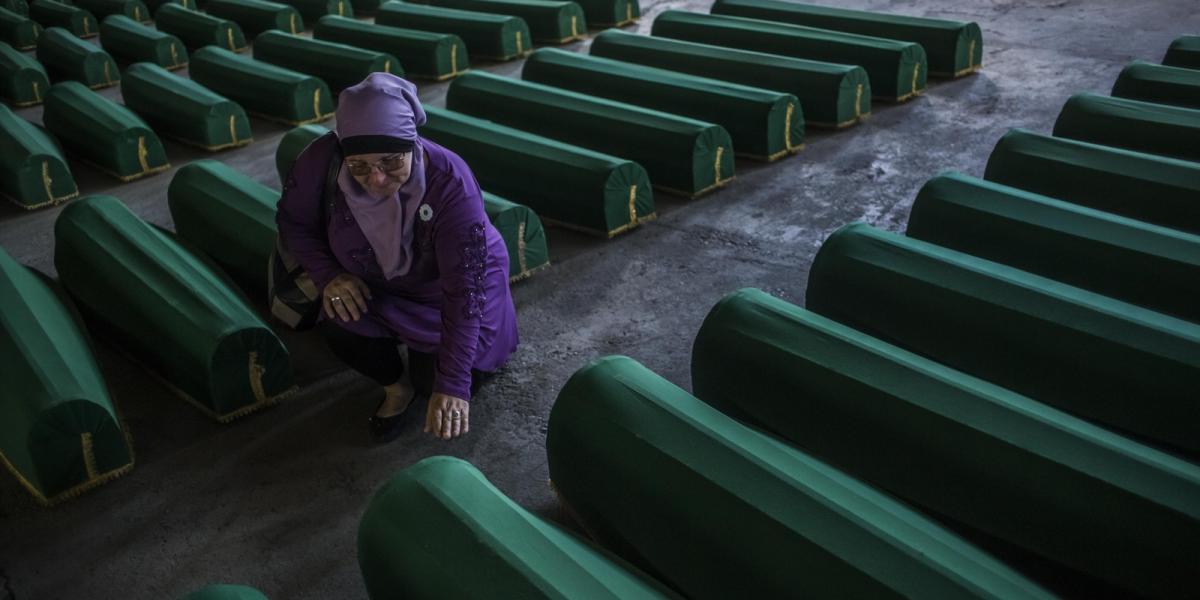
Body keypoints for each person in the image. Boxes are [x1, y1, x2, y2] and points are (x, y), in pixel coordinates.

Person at [276, 73, 519, 443]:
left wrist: (453, 384)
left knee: (437, 381)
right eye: (359, 167)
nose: (376, 180)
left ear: (413, 146)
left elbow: (465, 290)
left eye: (391, 163)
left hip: (450, 290)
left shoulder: (449, 181)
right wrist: (329, 275)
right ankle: (395, 387)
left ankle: (434, 372)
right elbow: (293, 221)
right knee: (340, 317)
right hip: (376, 284)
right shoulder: (320, 161)